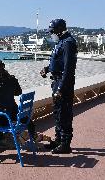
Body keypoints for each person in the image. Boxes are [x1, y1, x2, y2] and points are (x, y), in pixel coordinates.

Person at [40, 19, 78, 154]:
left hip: (64, 83)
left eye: (53, 32)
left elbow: (68, 69)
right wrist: (47, 68)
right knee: (57, 112)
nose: (51, 34)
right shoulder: (61, 41)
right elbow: (58, 61)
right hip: (57, 81)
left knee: (64, 113)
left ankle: (65, 144)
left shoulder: (68, 43)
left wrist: (61, 89)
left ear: (60, 30)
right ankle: (58, 140)